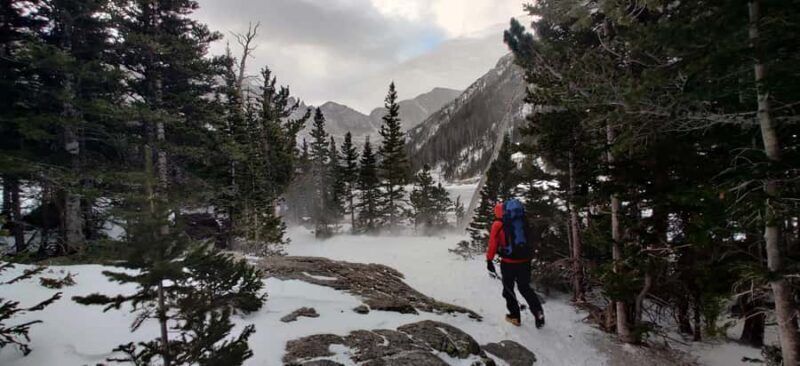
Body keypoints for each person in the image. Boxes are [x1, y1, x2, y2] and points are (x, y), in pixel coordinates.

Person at [486, 201, 545, 328]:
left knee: (508, 290)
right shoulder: (522, 220)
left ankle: (515, 317)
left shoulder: (498, 224)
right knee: (525, 288)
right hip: (525, 261)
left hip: (508, 263)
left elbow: (492, 244)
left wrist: (489, 260)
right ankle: (538, 312)